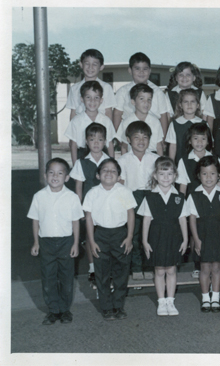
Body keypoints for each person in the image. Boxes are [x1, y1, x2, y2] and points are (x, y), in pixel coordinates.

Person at [28, 158, 84, 325]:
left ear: (67, 177)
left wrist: (75, 243)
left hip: (66, 242)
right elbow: (35, 221)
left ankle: (65, 310)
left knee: (66, 277)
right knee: (48, 277)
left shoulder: (72, 197)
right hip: (46, 243)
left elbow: (75, 222)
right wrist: (36, 242)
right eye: (51, 172)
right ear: (45, 175)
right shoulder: (39, 196)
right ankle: (53, 310)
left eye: (60, 173)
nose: (55, 176)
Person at [83, 158, 137, 321]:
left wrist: (129, 237)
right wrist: (91, 242)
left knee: (121, 272)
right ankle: (106, 307)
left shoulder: (124, 192)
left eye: (113, 171)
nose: (109, 173)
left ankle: (118, 306)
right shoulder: (92, 193)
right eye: (105, 170)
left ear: (118, 176)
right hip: (100, 235)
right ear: (98, 175)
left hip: (120, 234)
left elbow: (130, 214)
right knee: (102, 273)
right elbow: (89, 218)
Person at [138, 157, 190, 316]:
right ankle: (161, 301)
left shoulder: (179, 197)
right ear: (155, 175)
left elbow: (182, 219)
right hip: (156, 236)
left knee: (172, 269)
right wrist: (145, 241)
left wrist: (186, 239)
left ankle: (170, 301)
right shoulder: (150, 197)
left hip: (174, 237)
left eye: (169, 174)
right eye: (162, 174)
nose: (166, 178)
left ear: (175, 176)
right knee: (159, 270)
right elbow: (146, 220)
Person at [117, 121, 160, 280]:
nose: (141, 141)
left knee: (150, 234)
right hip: (132, 201)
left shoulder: (156, 159)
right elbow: (120, 186)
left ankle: (149, 265)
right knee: (133, 235)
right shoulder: (123, 160)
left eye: (145, 137)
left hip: (151, 199)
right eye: (136, 137)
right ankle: (135, 267)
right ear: (128, 139)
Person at [69, 123, 112, 284]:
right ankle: (93, 268)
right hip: (89, 205)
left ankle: (107, 267)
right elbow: (79, 187)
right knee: (90, 235)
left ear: (105, 142)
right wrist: (79, 208)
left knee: (106, 234)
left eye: (100, 139)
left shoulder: (109, 161)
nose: (96, 143)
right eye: (92, 139)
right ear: (86, 141)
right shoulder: (81, 162)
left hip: (106, 204)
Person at [189, 156, 220, 312]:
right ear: (199, 176)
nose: (208, 177)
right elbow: (192, 219)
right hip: (202, 235)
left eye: (212, 174)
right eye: (205, 174)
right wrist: (196, 239)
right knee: (205, 268)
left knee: (217, 267)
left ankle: (215, 297)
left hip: (218, 234)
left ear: (219, 175)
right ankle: (205, 298)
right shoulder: (194, 195)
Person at [113, 52, 173, 136]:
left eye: (145, 69)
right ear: (130, 70)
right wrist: (117, 136)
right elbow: (117, 114)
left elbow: (163, 116)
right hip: (130, 135)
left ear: (150, 71)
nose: (141, 72)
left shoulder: (158, 92)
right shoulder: (123, 91)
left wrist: (163, 139)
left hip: (153, 135)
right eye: (137, 68)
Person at [64, 80, 116, 164]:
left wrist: (112, 163)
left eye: (96, 97)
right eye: (88, 97)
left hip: (103, 156)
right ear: (82, 99)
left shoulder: (106, 121)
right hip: (83, 155)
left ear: (101, 100)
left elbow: (110, 144)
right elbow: (73, 145)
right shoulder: (76, 121)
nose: (92, 101)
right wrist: (75, 165)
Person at [66, 49, 116, 123]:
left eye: (95, 64)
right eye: (87, 63)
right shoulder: (74, 88)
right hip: (81, 127)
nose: (90, 67)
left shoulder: (106, 87)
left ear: (101, 67)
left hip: (100, 128)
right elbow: (73, 112)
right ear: (81, 64)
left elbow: (108, 112)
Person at [176, 122, 220, 196]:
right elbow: (183, 186)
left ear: (208, 141)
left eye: (203, 138)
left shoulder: (215, 159)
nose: (199, 142)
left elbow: (218, 183)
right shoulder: (184, 161)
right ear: (189, 140)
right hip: (193, 201)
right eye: (195, 138)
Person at [116, 83, 165, 155]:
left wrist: (160, 164)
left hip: (152, 157)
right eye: (142, 99)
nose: (146, 103)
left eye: (149, 99)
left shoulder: (155, 122)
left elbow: (159, 146)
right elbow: (124, 147)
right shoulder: (127, 122)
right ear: (133, 102)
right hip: (133, 157)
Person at [165, 88, 205, 164]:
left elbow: (207, 145)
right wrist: (171, 164)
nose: (189, 105)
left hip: (199, 164)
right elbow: (173, 146)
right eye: (186, 102)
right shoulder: (175, 124)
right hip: (180, 163)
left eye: (192, 101)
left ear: (198, 105)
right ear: (180, 105)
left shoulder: (203, 124)